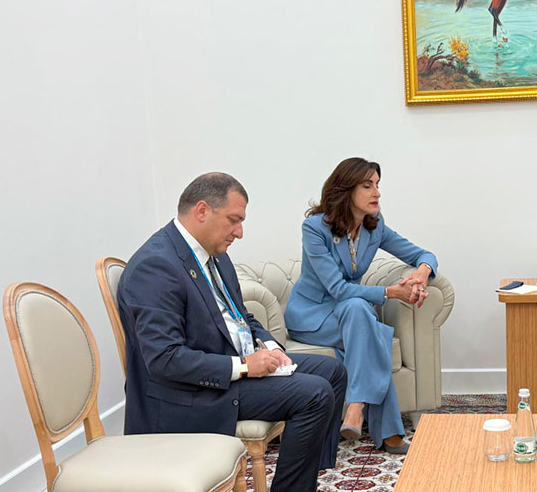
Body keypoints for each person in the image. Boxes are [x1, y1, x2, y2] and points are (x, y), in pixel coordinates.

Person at [119, 172, 346, 492]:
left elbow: (241, 317)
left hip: (230, 361)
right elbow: (165, 360)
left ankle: (305, 477)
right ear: (202, 211)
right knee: (314, 394)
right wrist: (244, 367)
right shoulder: (156, 266)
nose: (239, 232)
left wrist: (269, 345)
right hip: (187, 393)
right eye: (234, 220)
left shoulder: (215, 256)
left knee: (333, 370)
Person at [284, 157, 437, 454]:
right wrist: (392, 293)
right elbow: (338, 289)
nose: (376, 193)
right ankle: (388, 432)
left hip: (349, 313)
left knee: (359, 314)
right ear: (345, 190)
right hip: (313, 315)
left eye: (378, 185)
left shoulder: (374, 228)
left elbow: (424, 253)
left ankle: (356, 408)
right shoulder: (315, 228)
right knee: (367, 326)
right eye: (367, 186)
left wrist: (421, 272)